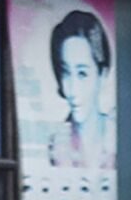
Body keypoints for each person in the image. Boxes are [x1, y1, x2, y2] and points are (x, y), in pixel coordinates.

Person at [48, 10, 115, 170]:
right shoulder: (57, 144)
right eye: (66, 73)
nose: (73, 89)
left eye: (82, 73)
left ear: (102, 75)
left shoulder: (116, 135)